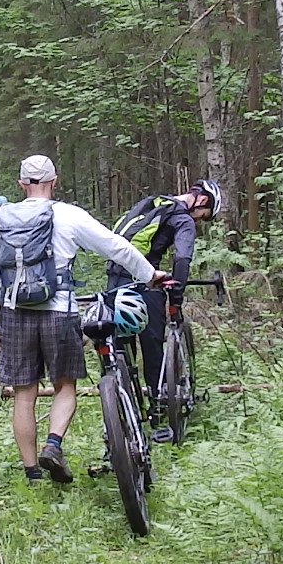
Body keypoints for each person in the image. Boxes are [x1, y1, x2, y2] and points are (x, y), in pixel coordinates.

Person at [0, 155, 159, 483]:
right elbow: (116, 247)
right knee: (64, 385)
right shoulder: (69, 215)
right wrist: (150, 274)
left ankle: (32, 474)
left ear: (21, 184)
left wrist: (10, 297)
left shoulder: (4, 217)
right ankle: (53, 444)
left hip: (14, 313)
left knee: (23, 393)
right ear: (54, 180)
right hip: (59, 311)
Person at [111, 179, 220, 441]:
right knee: (152, 343)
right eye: (205, 215)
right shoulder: (183, 218)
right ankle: (158, 407)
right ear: (202, 200)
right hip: (145, 280)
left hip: (114, 277)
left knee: (120, 347)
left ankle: (120, 412)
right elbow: (182, 257)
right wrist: (177, 294)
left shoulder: (152, 203)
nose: (201, 220)